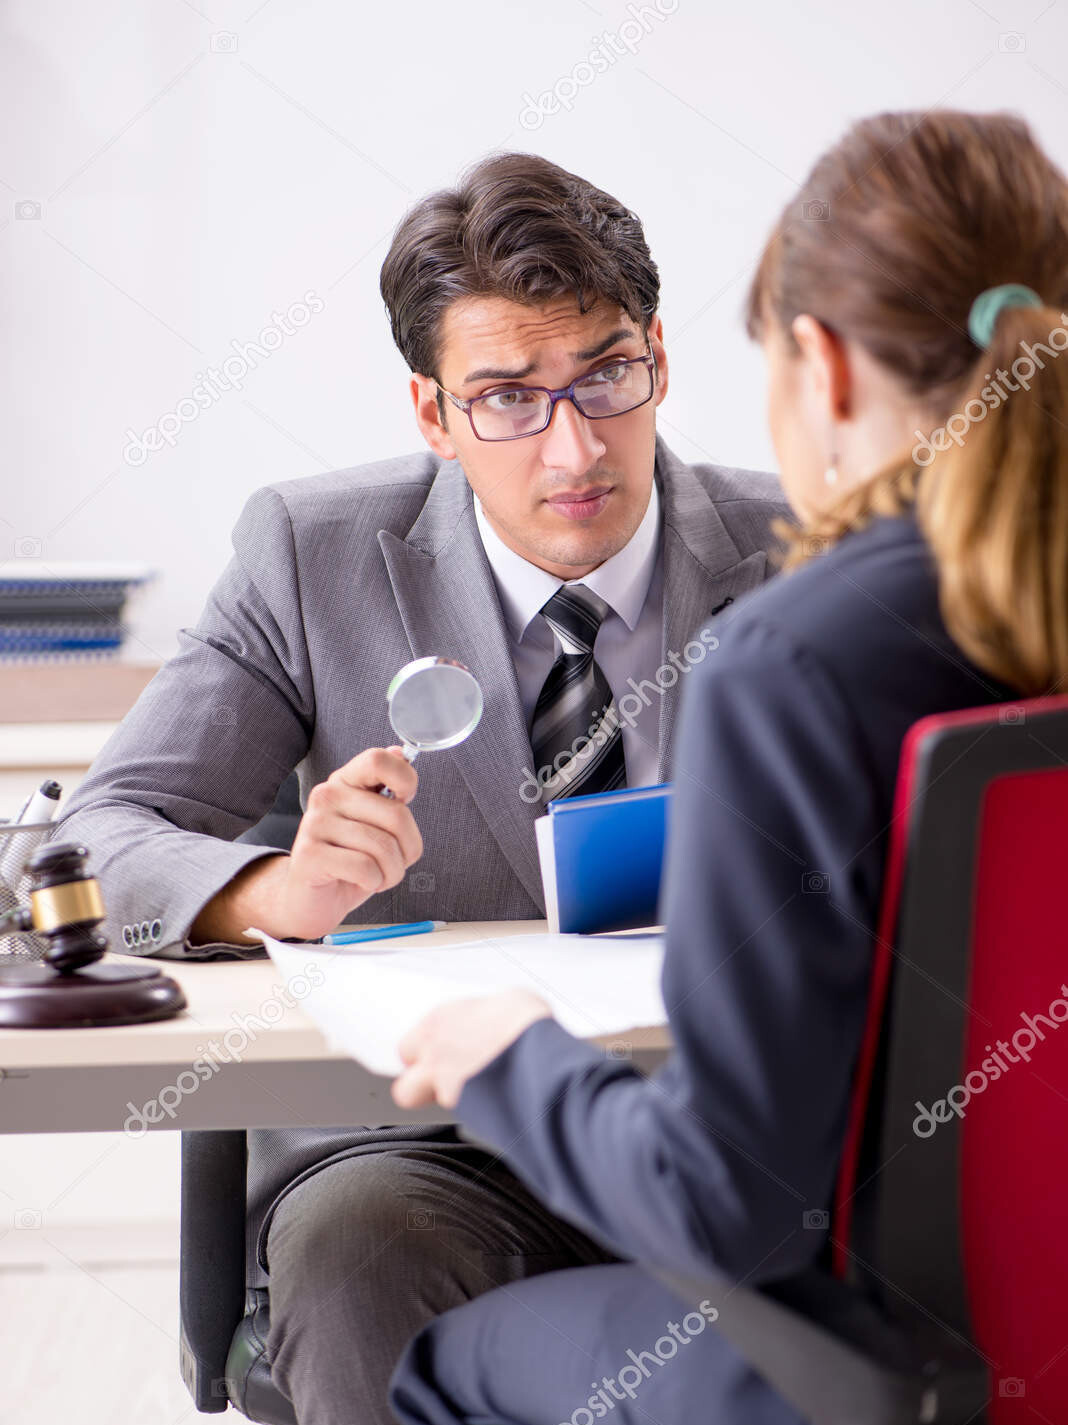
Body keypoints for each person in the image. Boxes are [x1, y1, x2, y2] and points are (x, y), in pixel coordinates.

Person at [54, 154, 786, 1423]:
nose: (574, 444)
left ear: (658, 356)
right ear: (433, 415)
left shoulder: (808, 550)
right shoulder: (311, 553)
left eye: (607, 374)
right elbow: (93, 843)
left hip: (734, 1128)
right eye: (505, 396)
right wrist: (270, 889)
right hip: (427, 1150)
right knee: (358, 1250)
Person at [387, 109, 1068, 1425]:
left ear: (821, 363)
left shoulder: (800, 658)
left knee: (451, 1363)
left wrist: (515, 1060)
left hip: (895, 1362)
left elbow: (730, 1207)